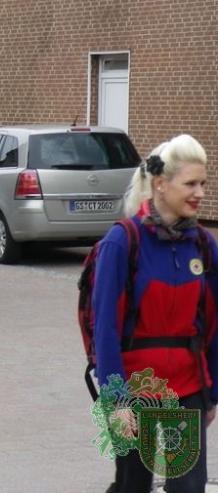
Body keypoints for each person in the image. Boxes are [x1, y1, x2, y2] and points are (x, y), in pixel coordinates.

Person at [92, 134, 218, 492]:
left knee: (188, 487)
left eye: (203, 183)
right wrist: (115, 400)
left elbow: (213, 323)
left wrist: (212, 393)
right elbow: (105, 328)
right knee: (134, 484)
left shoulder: (204, 245)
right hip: (133, 388)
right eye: (191, 183)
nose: (200, 193)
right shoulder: (122, 242)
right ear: (161, 184)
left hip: (188, 384)